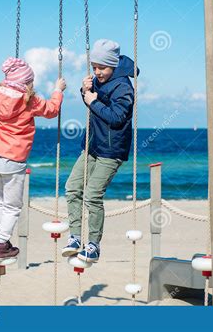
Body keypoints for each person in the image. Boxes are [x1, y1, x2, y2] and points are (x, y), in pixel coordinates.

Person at [62, 39, 139, 263]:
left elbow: (116, 117)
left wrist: (92, 101)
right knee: (72, 188)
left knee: (93, 195)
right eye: (94, 67)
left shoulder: (124, 86)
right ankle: (75, 237)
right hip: (92, 146)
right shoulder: (98, 80)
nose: (97, 72)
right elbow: (93, 102)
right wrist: (84, 90)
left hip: (111, 150)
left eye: (102, 68)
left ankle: (93, 245)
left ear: (113, 65)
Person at [0, 57, 66, 264]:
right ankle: (2, 246)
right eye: (30, 81)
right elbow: (52, 110)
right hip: (12, 159)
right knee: (12, 206)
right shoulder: (29, 100)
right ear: (26, 82)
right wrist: (58, 90)